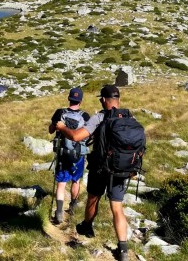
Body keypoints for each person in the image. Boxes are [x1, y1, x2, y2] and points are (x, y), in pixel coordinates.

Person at [55, 84, 131, 261]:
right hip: (121, 169)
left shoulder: (99, 117)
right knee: (117, 208)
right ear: (118, 100)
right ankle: (123, 249)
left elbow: (75, 136)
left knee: (93, 198)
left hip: (100, 167)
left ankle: (87, 226)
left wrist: (61, 127)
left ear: (103, 100)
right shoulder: (128, 116)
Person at [48, 87, 90, 225]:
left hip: (62, 153)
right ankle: (72, 205)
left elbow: (51, 130)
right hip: (78, 154)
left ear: (69, 98)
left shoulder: (60, 113)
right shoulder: (85, 116)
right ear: (80, 101)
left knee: (61, 183)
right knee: (76, 180)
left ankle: (59, 211)